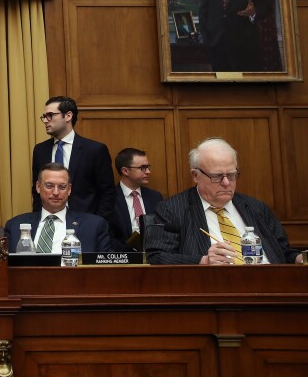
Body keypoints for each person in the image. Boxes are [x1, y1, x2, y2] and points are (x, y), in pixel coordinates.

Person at [145, 138, 303, 265]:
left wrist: (299, 259)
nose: (227, 182)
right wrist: (203, 260)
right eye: (217, 176)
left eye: (232, 175)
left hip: (271, 285)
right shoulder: (173, 209)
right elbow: (158, 256)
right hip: (213, 290)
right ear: (195, 175)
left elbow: (284, 251)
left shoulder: (255, 207)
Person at [31, 96, 116, 223]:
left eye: (50, 115)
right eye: (44, 117)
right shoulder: (40, 150)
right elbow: (37, 189)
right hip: (48, 222)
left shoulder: (94, 150)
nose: (46, 121)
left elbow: (107, 192)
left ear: (68, 116)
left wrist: (98, 223)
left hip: (85, 222)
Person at [6, 163, 112, 253]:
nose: (56, 192)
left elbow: (105, 268)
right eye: (49, 186)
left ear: (69, 190)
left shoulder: (94, 225)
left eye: (62, 187)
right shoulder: (15, 225)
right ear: (38, 187)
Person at [111, 148, 164, 252]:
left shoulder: (155, 197)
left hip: (154, 256)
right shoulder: (110, 198)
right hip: (123, 259)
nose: (148, 172)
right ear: (125, 171)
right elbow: (107, 236)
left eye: (148, 167)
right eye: (142, 168)